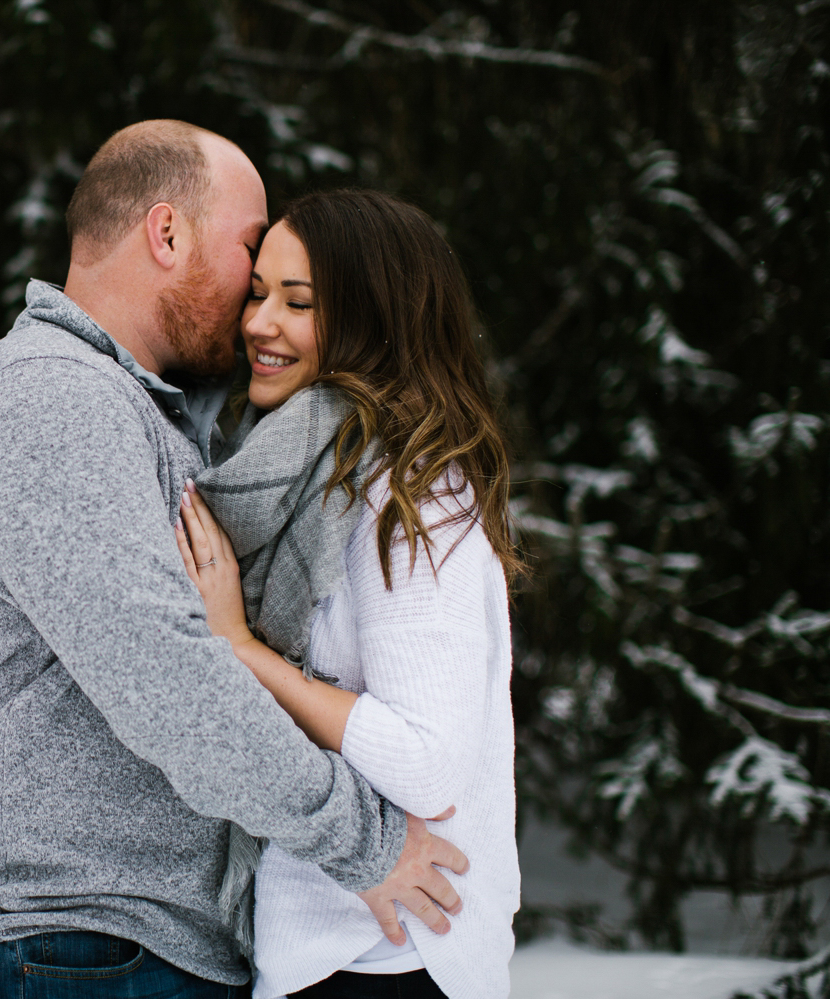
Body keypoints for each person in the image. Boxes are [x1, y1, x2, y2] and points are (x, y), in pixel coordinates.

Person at [0, 122, 470, 997]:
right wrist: (367, 842)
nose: (257, 306)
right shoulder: (48, 396)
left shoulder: (143, 411)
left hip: (120, 945)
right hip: (79, 943)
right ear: (167, 233)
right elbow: (167, 677)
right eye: (250, 252)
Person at [175, 188, 522, 999]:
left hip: (392, 953)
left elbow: (426, 761)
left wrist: (241, 649)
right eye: (258, 293)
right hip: (337, 948)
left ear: (375, 319)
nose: (260, 323)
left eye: (298, 303)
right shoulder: (325, 472)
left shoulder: (412, 489)